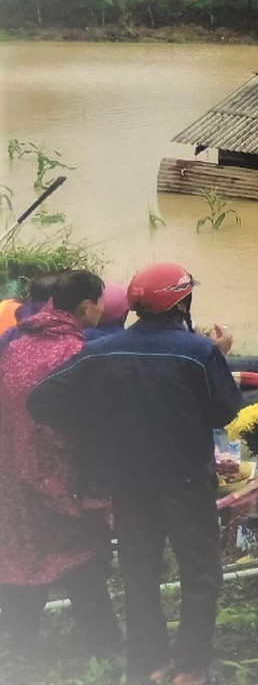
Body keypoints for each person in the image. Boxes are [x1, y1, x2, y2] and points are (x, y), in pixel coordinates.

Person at [27, 262, 241, 685]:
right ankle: (192, 668)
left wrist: (93, 426)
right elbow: (225, 410)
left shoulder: (100, 351)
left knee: (139, 574)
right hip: (185, 483)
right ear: (183, 302)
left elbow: (42, 401)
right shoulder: (199, 351)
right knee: (199, 574)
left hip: (127, 486)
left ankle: (151, 664)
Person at [0, 269, 121, 661]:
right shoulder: (79, 353)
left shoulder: (15, 344)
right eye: (100, 301)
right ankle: (103, 646)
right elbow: (97, 423)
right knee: (84, 558)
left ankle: (20, 647)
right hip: (63, 477)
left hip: (11, 475)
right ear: (86, 307)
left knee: (20, 556)